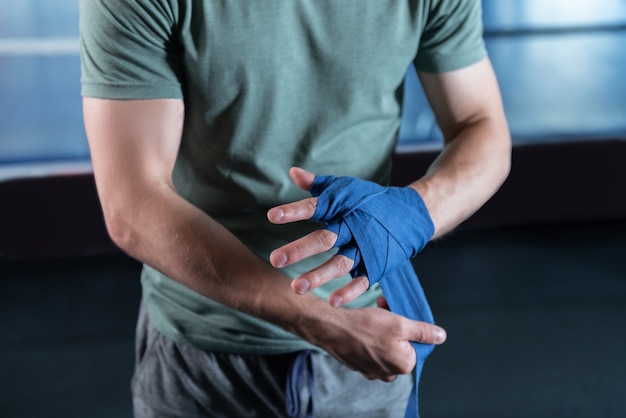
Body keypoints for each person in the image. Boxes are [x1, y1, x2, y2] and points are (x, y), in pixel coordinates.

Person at [79, 1, 510, 417]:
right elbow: (132, 203)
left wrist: (414, 213)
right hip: (206, 350)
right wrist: (317, 320)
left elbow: (481, 124)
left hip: (370, 333)